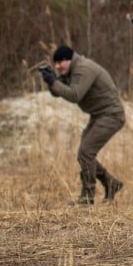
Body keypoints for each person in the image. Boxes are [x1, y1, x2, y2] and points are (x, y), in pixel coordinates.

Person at [40, 44, 125, 205]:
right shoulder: (71, 69)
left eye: (60, 62)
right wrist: (51, 80)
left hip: (111, 115)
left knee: (86, 152)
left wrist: (54, 82)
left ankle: (87, 196)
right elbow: (59, 91)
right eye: (55, 63)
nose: (58, 66)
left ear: (69, 59)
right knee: (84, 155)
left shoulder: (84, 69)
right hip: (99, 115)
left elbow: (74, 95)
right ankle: (111, 184)